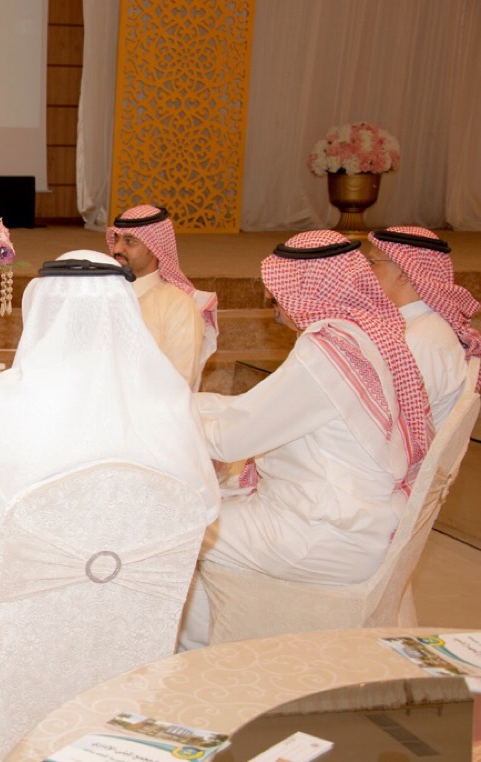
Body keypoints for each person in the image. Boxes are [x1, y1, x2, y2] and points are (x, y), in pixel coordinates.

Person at [0, 251, 220, 666]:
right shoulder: (172, 399)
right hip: (133, 624)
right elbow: (199, 506)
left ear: (41, 311)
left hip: (9, 631)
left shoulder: (2, 400)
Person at [180, 230, 434, 649]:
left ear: (307, 288)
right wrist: (189, 406)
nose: (270, 298)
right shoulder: (361, 336)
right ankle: (212, 647)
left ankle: (195, 658)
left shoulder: (326, 354)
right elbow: (258, 410)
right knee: (208, 509)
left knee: (179, 526)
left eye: (278, 287)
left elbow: (230, 440)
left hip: (324, 532)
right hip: (359, 518)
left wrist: (169, 419)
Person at [367, 227, 475, 426]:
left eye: (372, 262)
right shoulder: (421, 325)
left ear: (403, 274)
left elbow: (391, 423)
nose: (364, 271)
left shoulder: (418, 340)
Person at [106, 204, 218, 389]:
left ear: (155, 248)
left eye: (130, 241)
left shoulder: (179, 306)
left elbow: (179, 381)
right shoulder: (102, 294)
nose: (117, 248)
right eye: (116, 239)